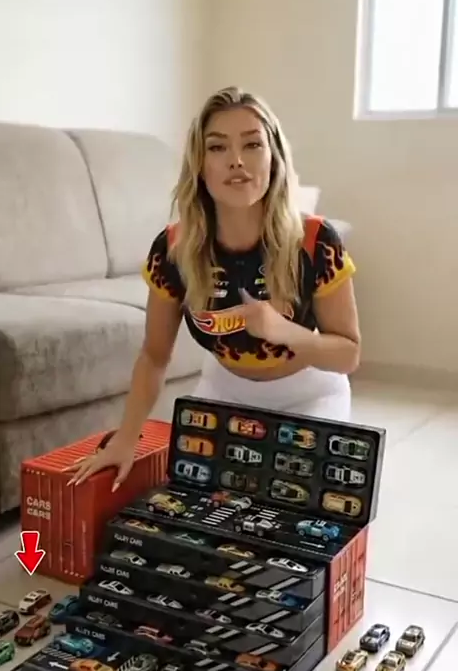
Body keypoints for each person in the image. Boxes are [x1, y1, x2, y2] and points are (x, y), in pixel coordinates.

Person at [67, 86, 360, 491]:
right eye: (218, 147)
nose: (236, 160)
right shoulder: (172, 248)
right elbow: (154, 356)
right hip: (224, 391)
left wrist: (283, 331)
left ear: (274, 157)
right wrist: (125, 438)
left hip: (309, 395)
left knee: (289, 501)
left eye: (252, 144)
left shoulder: (315, 240)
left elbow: (348, 354)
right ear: (200, 165)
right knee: (198, 501)